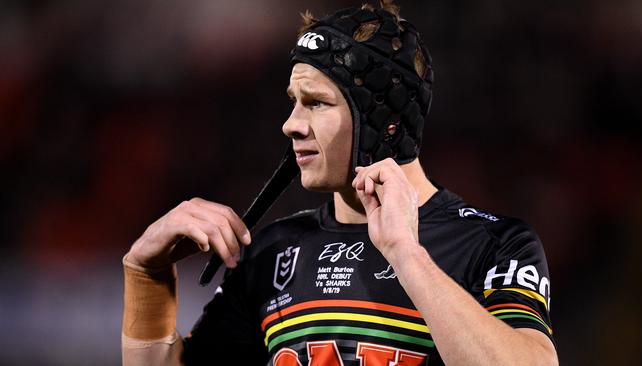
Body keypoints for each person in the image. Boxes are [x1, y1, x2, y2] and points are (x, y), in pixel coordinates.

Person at [121, 1, 559, 365]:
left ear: (384, 122)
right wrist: (146, 276)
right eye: (294, 102)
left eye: (317, 103)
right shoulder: (272, 252)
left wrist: (407, 255)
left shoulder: (493, 243)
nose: (291, 125)